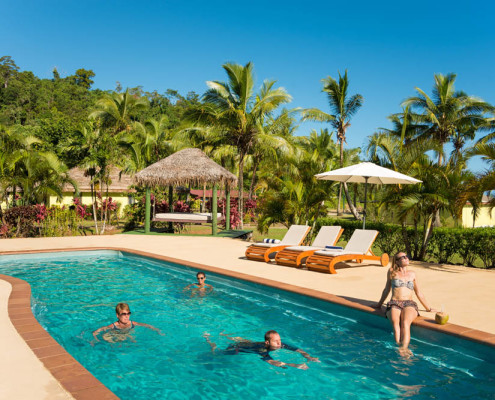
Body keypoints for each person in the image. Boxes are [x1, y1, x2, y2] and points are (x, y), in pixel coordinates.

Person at [373, 252, 436, 356]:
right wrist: (379, 304)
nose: (406, 258)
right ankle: (398, 346)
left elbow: (418, 292)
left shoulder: (413, 274)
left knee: (406, 322)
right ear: (397, 261)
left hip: (409, 303)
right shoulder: (392, 271)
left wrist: (428, 308)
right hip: (394, 302)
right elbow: (386, 290)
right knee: (395, 322)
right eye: (403, 257)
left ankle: (404, 348)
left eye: (406, 256)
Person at [204, 330, 319, 369]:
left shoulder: (280, 344)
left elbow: (298, 350)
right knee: (217, 353)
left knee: (249, 342)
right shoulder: (262, 350)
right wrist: (292, 364)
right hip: (238, 348)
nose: (280, 343)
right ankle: (210, 341)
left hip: (250, 344)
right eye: (276, 341)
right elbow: (270, 361)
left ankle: (225, 335)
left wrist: (309, 357)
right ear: (268, 343)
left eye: (279, 340)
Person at [92, 302, 161, 342]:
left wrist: (157, 330)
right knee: (105, 336)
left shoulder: (132, 323)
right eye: (123, 314)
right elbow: (97, 331)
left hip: (127, 335)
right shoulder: (114, 325)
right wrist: (95, 339)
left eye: (128, 313)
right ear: (118, 315)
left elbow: (146, 325)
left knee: (131, 339)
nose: (127, 316)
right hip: (116, 335)